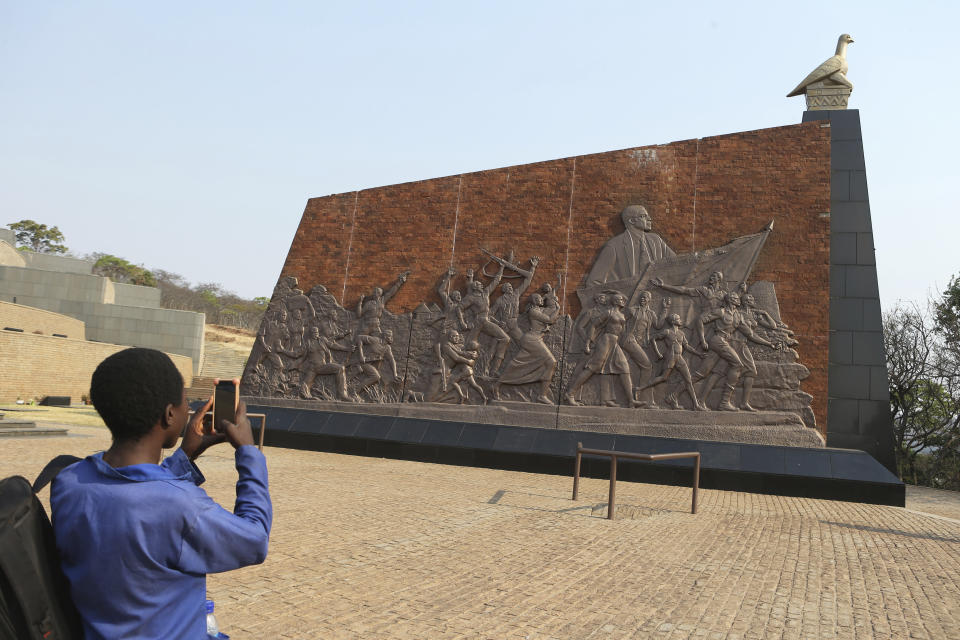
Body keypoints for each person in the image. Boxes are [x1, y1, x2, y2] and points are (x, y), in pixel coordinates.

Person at [50, 348, 272, 640]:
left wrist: (186, 454)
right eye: (184, 402)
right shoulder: (181, 505)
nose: (188, 409)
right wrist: (247, 452)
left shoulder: (68, 480)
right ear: (169, 415)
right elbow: (254, 540)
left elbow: (135, 488)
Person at [585, 205, 675, 287]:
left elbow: (676, 263)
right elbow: (593, 282)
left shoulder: (656, 240)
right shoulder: (614, 246)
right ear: (632, 221)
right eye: (643, 216)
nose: (649, 218)